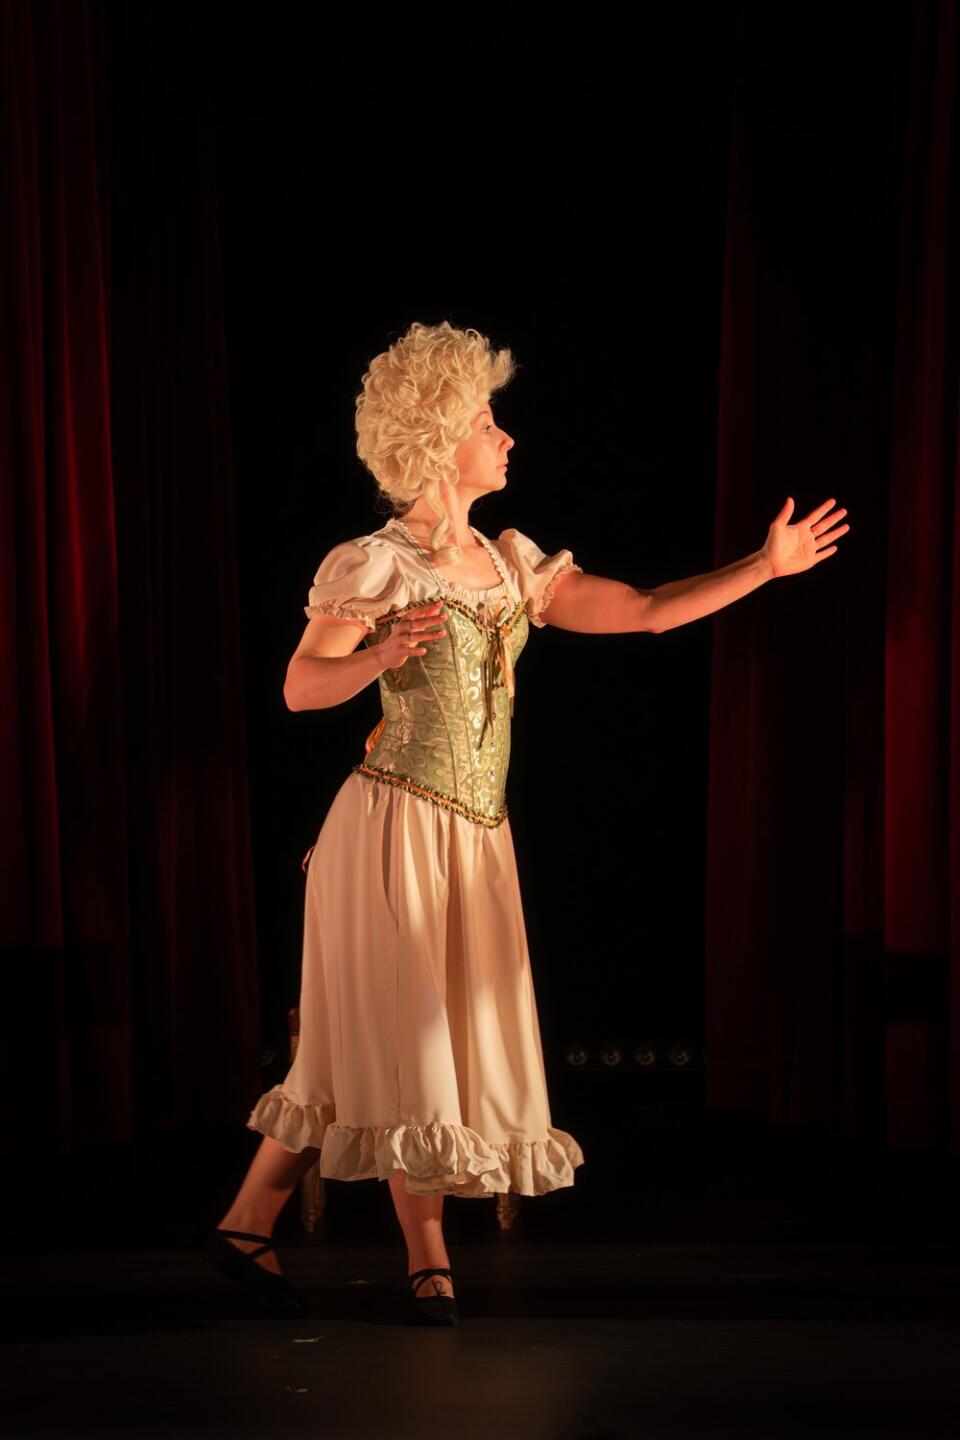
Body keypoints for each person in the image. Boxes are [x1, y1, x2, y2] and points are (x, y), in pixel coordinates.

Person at [202, 320, 850, 1326]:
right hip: (390, 831)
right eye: (486, 422)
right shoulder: (373, 564)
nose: (505, 438)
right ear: (435, 439)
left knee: (364, 1048)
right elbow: (298, 687)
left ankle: (247, 1222)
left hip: (476, 836)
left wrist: (762, 569)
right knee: (410, 1041)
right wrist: (378, 658)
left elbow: (643, 608)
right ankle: (427, 1255)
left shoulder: (510, 565)